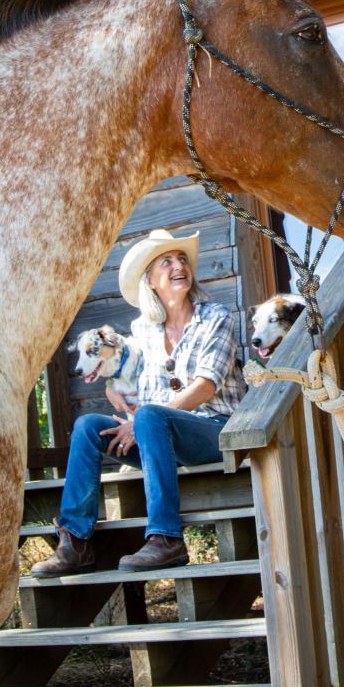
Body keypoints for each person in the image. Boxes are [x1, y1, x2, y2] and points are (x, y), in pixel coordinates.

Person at [31, 228, 247, 577]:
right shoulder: (144, 329)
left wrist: (143, 419)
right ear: (150, 280)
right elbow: (142, 391)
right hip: (159, 434)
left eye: (182, 259)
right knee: (88, 426)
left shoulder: (215, 317)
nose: (179, 266)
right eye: (167, 262)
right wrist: (115, 393)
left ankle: (166, 538)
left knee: (148, 417)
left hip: (216, 430)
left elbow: (205, 387)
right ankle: (75, 542)